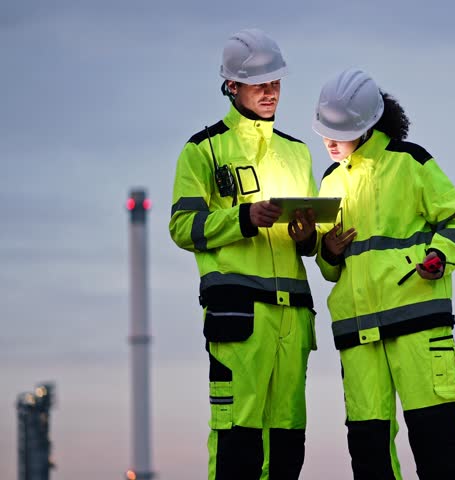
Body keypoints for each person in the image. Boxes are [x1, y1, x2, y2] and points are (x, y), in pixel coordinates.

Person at [313, 68, 455, 479]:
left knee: (438, 451)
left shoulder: (412, 162)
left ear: (368, 125)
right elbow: (330, 269)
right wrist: (328, 252)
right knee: (369, 459)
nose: (330, 141)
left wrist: (439, 256)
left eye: (341, 131)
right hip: (359, 340)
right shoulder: (329, 182)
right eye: (325, 132)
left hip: (419, 331)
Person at [169, 28, 319, 480]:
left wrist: (309, 236)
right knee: (237, 437)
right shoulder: (203, 151)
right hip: (239, 320)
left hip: (293, 320)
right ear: (231, 86)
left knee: (289, 439)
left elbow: (310, 241)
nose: (271, 92)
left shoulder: (297, 152)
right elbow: (182, 226)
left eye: (276, 82)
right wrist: (243, 218)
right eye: (260, 83)